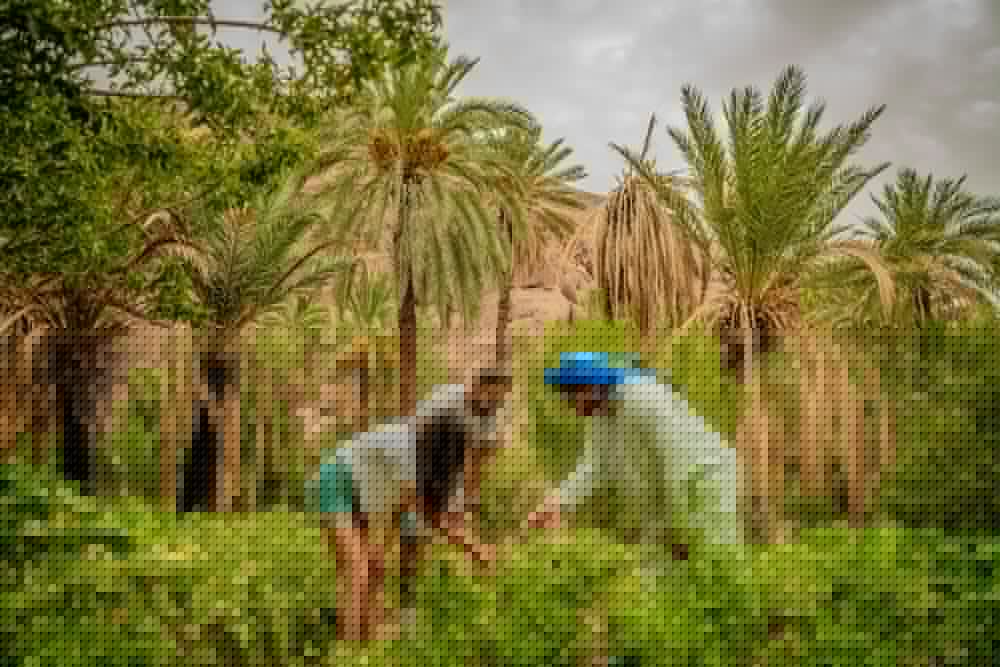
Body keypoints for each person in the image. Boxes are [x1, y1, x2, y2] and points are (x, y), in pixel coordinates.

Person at [319, 367, 512, 642]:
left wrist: (464, 510)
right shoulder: (410, 445)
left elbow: (414, 505)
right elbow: (423, 510)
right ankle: (349, 650)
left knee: (373, 568)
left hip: (369, 495)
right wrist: (474, 548)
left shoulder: (446, 449)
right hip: (337, 483)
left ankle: (365, 644)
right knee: (358, 569)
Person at [527, 352, 743, 557]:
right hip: (662, 502)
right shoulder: (598, 416)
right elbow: (594, 466)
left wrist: (679, 526)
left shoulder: (643, 398)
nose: (568, 403)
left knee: (715, 562)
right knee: (656, 571)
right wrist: (557, 502)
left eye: (571, 394)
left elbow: (677, 462)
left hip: (704, 483)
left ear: (592, 386)